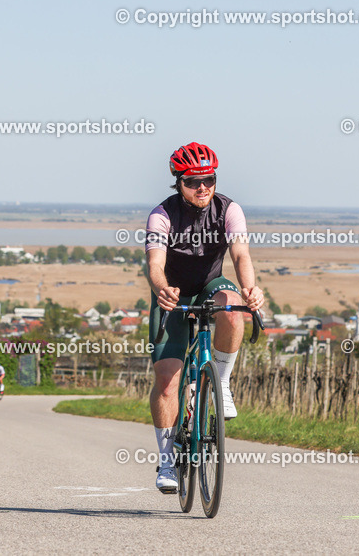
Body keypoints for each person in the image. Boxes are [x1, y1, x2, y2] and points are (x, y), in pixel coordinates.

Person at [145, 142, 264, 493]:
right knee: (167, 380)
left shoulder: (229, 209)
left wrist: (251, 289)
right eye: (194, 181)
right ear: (178, 182)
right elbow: (154, 264)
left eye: (209, 179)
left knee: (231, 307)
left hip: (212, 283)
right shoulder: (161, 215)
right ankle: (166, 462)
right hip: (173, 293)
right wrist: (162, 289)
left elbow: (240, 254)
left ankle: (221, 382)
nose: (203, 188)